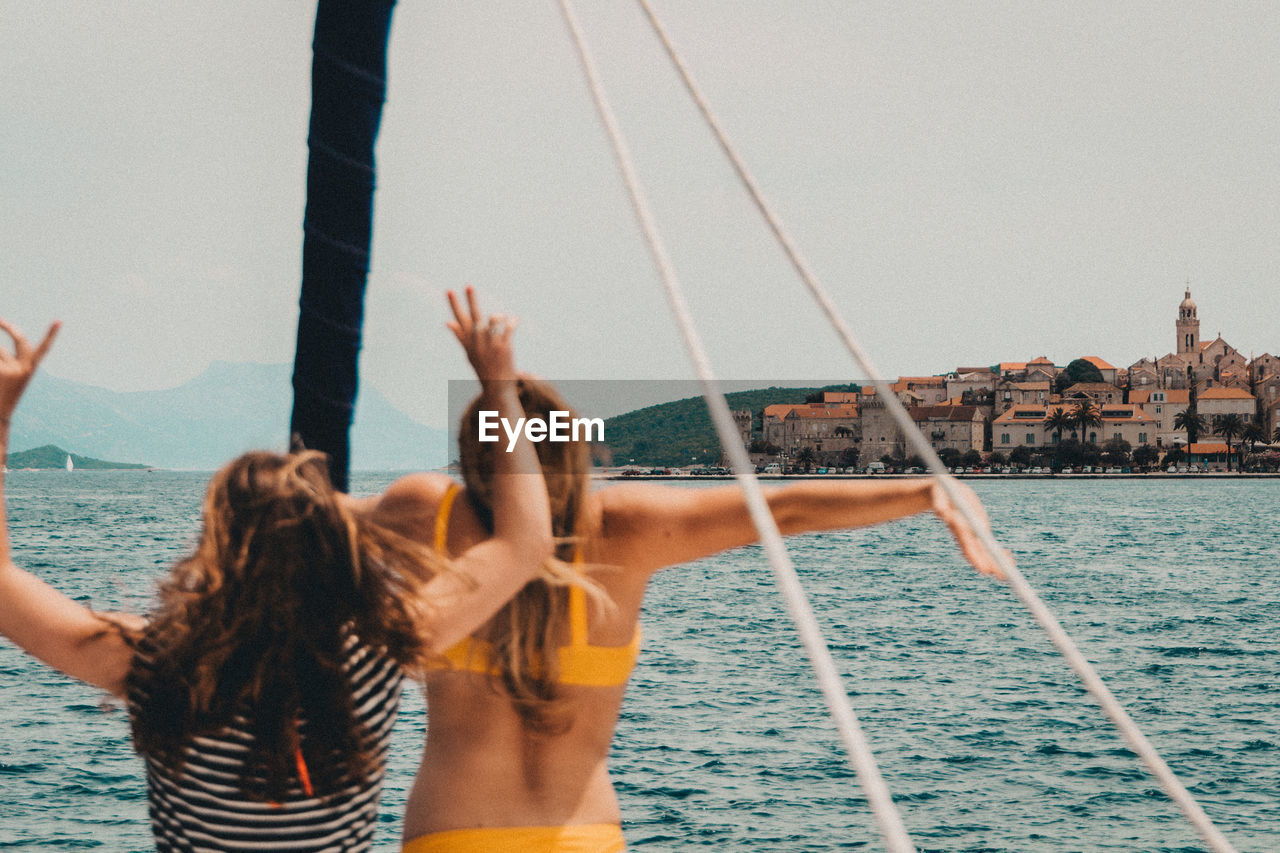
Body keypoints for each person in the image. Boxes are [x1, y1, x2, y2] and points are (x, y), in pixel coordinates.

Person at [0, 291, 552, 852]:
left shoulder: (157, 660)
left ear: (216, 545)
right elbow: (526, 542)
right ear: (332, 546)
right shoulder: (376, 650)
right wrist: (499, 389)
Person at [371, 375, 1007, 852]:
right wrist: (926, 491)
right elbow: (786, 510)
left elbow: (302, 509)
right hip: (582, 837)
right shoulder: (623, 528)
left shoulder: (433, 517)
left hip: (451, 830)